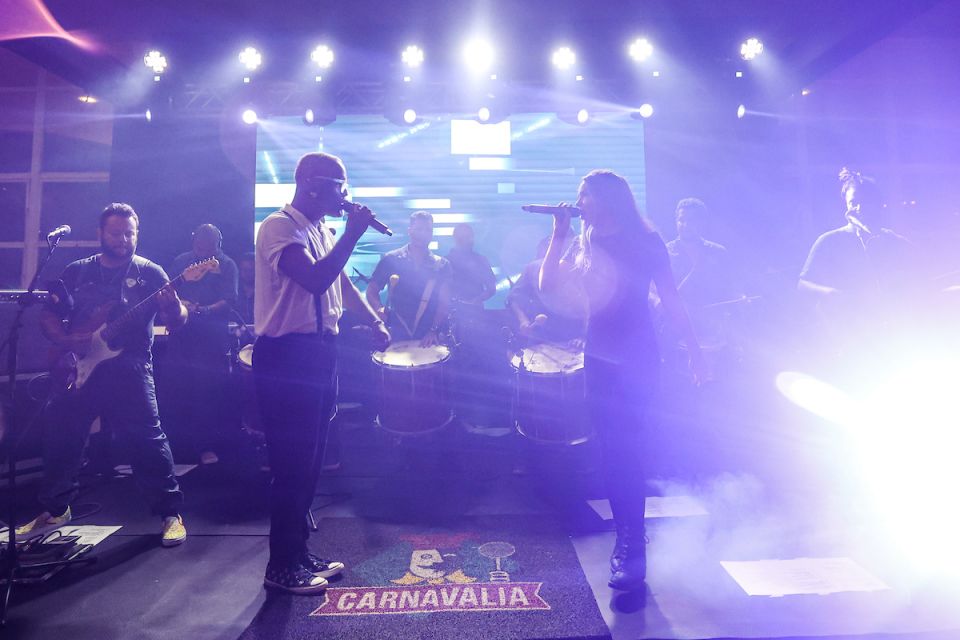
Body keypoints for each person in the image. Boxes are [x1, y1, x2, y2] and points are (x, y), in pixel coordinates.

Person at [539, 170, 705, 592]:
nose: (578, 202)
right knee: (612, 451)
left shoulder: (647, 243)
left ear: (607, 198)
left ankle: (631, 544)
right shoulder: (587, 239)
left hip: (638, 360)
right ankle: (630, 536)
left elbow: (671, 299)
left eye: (584, 195)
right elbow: (547, 285)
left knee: (626, 449)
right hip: (598, 359)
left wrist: (695, 349)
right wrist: (559, 233)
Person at [254, 151, 390, 594]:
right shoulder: (279, 226)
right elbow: (312, 279)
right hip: (286, 355)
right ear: (311, 184)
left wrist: (372, 320)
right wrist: (352, 234)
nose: (345, 195)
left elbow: (340, 283)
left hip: (318, 352)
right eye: (339, 186)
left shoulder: (321, 228)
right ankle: (280, 567)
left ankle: (296, 552)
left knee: (311, 462)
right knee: (291, 463)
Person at [17, 203, 189, 547]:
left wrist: (173, 307)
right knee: (62, 437)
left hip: (131, 368)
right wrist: (67, 340)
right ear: (100, 234)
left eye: (130, 233)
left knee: (148, 442)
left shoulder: (150, 273)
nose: (123, 239)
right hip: (80, 367)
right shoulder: (77, 271)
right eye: (116, 233)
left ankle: (171, 514)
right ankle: (55, 508)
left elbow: (178, 319)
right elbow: (49, 315)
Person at [798, 168, 919, 351]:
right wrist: (830, 293)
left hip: (893, 336)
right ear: (846, 205)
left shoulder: (893, 241)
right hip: (850, 340)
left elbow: (923, 272)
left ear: (878, 205)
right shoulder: (830, 240)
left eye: (866, 202)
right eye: (854, 202)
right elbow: (803, 284)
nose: (860, 208)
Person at [167, 224, 239, 464]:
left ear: (218, 242)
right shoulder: (181, 261)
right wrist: (177, 304)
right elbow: (169, 290)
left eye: (209, 240)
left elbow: (230, 300)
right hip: (181, 334)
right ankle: (177, 447)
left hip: (211, 337)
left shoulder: (226, 265)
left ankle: (207, 446)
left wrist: (202, 310)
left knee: (207, 392)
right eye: (199, 239)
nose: (203, 244)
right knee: (178, 388)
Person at [365, 211, 451, 344]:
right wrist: (378, 308)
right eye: (419, 229)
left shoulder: (442, 265)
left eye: (428, 230)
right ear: (410, 231)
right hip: (395, 332)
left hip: (427, 337)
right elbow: (371, 290)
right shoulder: (391, 259)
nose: (423, 234)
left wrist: (433, 330)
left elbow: (444, 303)